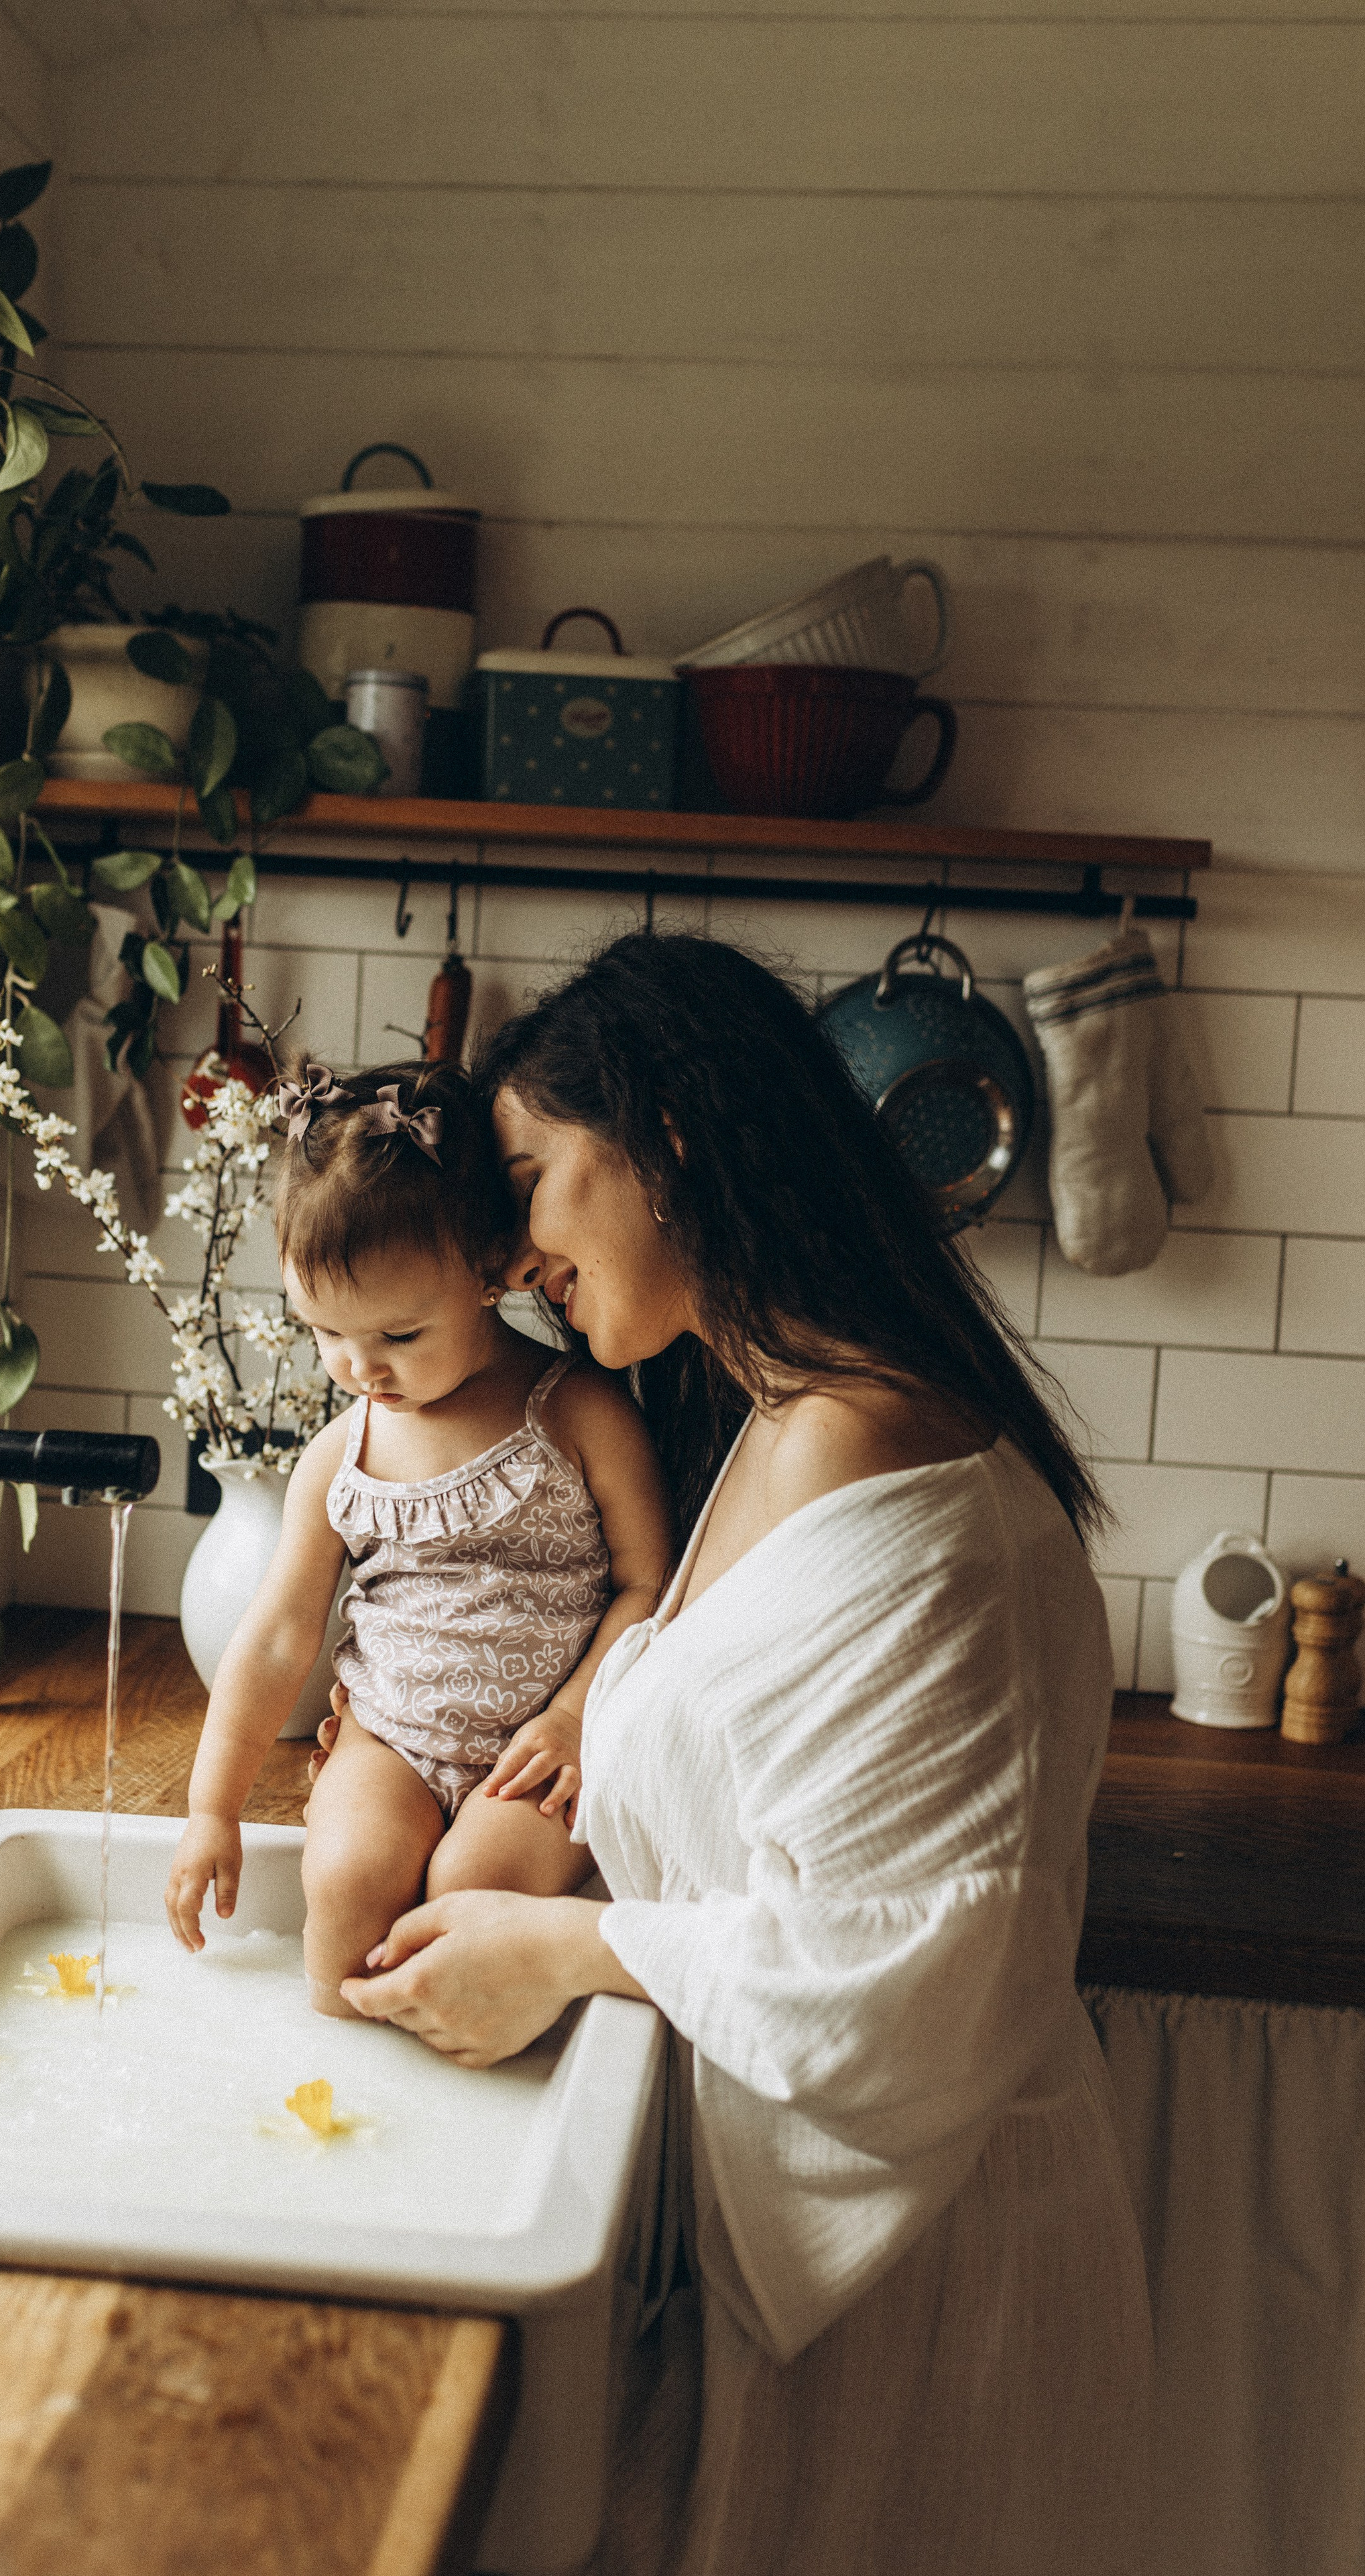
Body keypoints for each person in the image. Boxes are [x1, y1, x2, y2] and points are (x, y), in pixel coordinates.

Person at [333, 936, 1152, 2575]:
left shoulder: (878, 1460)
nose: (507, 1258)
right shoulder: (786, 1415)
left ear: (671, 1133)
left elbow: (933, 1968)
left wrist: (559, 1948)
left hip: (925, 2276)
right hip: (821, 2226)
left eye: (533, 1182)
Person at [164, 1054, 673, 2018]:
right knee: (348, 1882)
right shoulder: (340, 1455)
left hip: (537, 1754)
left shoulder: (577, 1412)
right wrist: (210, 1808)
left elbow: (649, 1586)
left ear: (488, 1268)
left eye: (399, 1335)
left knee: (476, 1891)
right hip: (388, 1742)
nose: (361, 1368)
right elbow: (275, 1636)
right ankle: (335, 2084)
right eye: (323, 1332)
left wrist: (573, 1720)